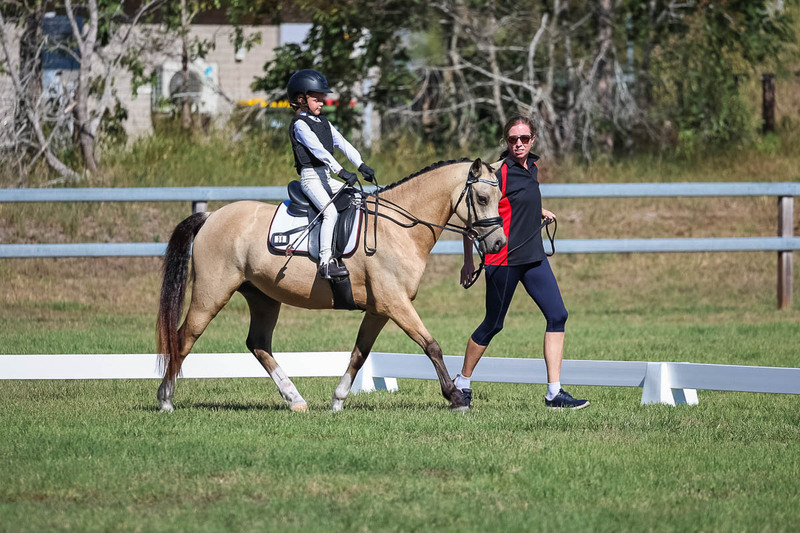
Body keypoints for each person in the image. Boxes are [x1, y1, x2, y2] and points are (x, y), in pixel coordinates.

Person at [455, 115, 589, 410]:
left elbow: (516, 200)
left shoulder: (532, 167)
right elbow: (472, 218)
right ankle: (461, 384)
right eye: (513, 139)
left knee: (558, 315)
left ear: (533, 140)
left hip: (534, 257)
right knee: (493, 323)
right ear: (506, 141)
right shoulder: (498, 172)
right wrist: (467, 260)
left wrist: (538, 210)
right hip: (503, 260)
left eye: (524, 139)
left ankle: (554, 393)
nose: (519, 144)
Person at [287, 69, 376, 279]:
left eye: (322, 99)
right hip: (310, 179)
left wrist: (361, 164)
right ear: (301, 100)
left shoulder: (323, 122)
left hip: (325, 178)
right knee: (330, 213)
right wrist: (341, 171)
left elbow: (343, 143)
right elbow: (318, 150)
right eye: (316, 100)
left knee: (358, 197)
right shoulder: (300, 125)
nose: (321, 103)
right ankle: (325, 263)